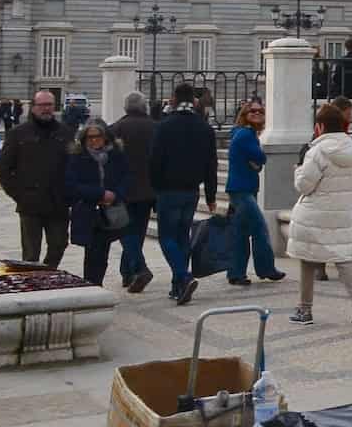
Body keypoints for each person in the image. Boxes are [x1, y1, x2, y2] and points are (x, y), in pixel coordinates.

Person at [288, 103, 352, 326]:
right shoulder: (351, 150)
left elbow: (304, 186)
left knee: (307, 259)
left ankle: (304, 310)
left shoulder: (316, 151)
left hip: (314, 214)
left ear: (320, 126)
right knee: (344, 260)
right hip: (341, 213)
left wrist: (298, 169)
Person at [149, 82, 218, 305]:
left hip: (168, 189)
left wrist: (154, 189)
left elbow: (154, 161)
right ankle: (177, 286)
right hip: (191, 190)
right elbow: (211, 164)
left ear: (174, 99)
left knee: (167, 237)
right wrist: (211, 194)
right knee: (182, 237)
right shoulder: (204, 127)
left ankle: (183, 276)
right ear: (194, 101)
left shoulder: (164, 126)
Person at [0, 89, 70, 268]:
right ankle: (32, 284)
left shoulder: (66, 133)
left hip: (58, 202)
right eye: (42, 105)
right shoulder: (18, 133)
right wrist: (19, 195)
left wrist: (70, 193)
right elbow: (3, 169)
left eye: (49, 105)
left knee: (59, 244)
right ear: (33, 107)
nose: (46, 109)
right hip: (30, 203)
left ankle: (48, 273)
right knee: (30, 253)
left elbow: (75, 167)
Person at [224, 101, 286, 286]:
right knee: (260, 228)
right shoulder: (246, 134)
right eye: (253, 111)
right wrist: (257, 161)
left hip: (241, 188)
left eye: (261, 111)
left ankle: (236, 273)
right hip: (242, 190)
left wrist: (255, 163)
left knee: (241, 232)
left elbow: (256, 162)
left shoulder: (242, 133)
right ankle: (266, 268)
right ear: (244, 114)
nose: (258, 113)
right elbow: (261, 158)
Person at [66, 120, 132, 286]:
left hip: (110, 210)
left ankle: (97, 283)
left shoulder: (116, 155)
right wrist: (100, 193)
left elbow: (126, 178)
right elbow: (72, 184)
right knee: (91, 252)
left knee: (103, 251)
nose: (93, 140)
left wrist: (115, 195)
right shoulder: (78, 157)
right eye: (89, 137)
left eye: (97, 136)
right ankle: (91, 284)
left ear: (105, 137)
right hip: (88, 209)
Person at [110, 91, 159, 294]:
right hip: (148, 190)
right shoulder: (156, 127)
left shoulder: (116, 128)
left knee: (123, 231)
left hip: (123, 190)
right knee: (137, 232)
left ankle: (139, 268)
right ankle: (127, 273)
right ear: (144, 106)